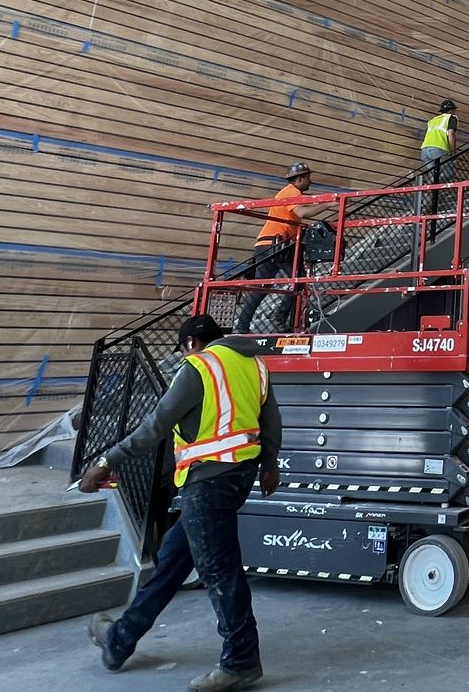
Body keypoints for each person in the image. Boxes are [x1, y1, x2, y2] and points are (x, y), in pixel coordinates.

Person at [80, 314, 282, 692]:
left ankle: (241, 662)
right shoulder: (254, 363)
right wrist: (269, 464)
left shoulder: (198, 367)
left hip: (207, 482)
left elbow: (155, 425)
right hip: (238, 477)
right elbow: (272, 418)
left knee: (221, 572)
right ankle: (118, 640)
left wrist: (106, 462)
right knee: (172, 564)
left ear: (190, 343)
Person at [232, 163, 311, 335]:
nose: (309, 181)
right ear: (300, 179)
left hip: (264, 244)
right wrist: (329, 205)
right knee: (300, 280)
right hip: (278, 245)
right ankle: (279, 317)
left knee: (261, 287)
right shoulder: (292, 191)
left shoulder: (286, 192)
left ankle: (241, 326)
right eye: (307, 178)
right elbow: (302, 213)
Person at [419, 99, 458, 219]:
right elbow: (451, 135)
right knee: (449, 172)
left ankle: (425, 206)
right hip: (438, 150)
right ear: (451, 110)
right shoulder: (451, 118)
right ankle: (430, 187)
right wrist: (453, 153)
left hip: (425, 150)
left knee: (435, 176)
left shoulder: (432, 120)